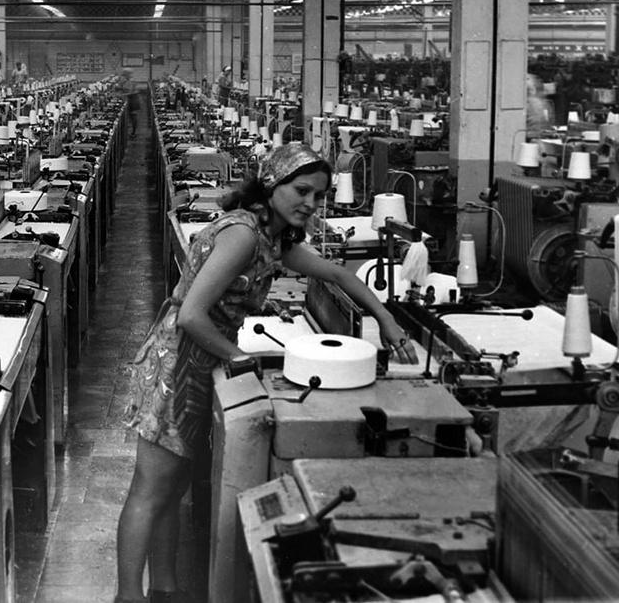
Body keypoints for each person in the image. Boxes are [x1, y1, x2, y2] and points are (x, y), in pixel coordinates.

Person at [114, 144, 417, 603]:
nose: (310, 203)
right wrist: (239, 356)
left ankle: (164, 588)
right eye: (302, 191)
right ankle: (126, 596)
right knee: (150, 490)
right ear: (272, 185)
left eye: (318, 196)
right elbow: (192, 315)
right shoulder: (243, 235)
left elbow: (338, 275)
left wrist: (387, 320)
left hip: (198, 362)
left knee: (172, 489)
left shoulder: (272, 240)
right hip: (175, 365)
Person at [117, 68, 140, 137]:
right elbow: (125, 88)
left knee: (133, 116)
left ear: (127, 74)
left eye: (124, 74)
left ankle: (133, 132)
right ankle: (133, 131)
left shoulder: (130, 81)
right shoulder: (129, 80)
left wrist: (121, 94)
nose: (123, 76)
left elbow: (129, 92)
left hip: (133, 100)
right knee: (132, 116)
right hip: (132, 99)